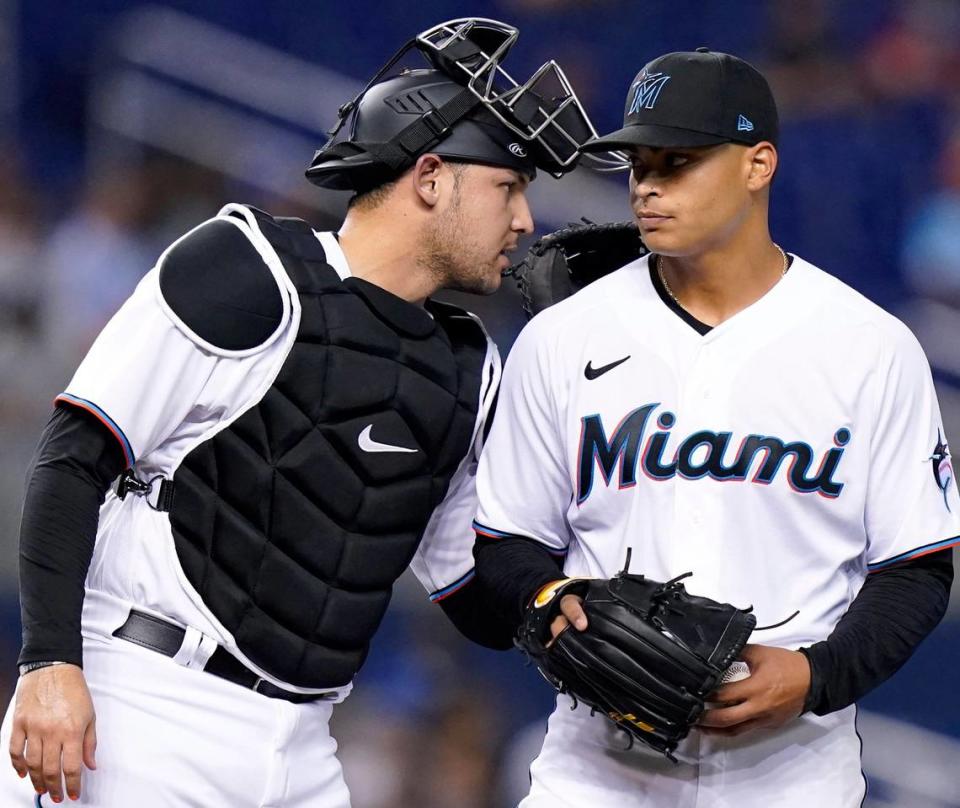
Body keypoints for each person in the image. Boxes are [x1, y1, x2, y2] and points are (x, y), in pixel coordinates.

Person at [0, 18, 602, 806]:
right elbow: (75, 457)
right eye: (508, 187)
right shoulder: (246, 266)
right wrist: (48, 662)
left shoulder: (466, 363)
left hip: (308, 751)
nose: (525, 221)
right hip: (142, 706)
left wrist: (564, 604)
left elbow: (467, 591)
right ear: (430, 177)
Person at [472, 48, 958, 806]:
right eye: (639, 163)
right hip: (595, 771)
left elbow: (916, 567)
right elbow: (504, 545)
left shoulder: (869, 346)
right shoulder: (565, 337)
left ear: (758, 163)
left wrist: (817, 675)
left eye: (680, 160)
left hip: (793, 776)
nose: (649, 185)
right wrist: (551, 604)